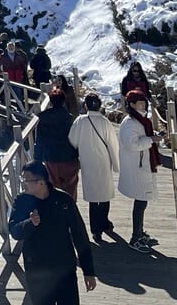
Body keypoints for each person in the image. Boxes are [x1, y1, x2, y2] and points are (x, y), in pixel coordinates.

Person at [8, 161, 97, 305]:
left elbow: (79, 235)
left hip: (64, 270)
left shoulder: (63, 200)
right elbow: (14, 231)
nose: (23, 183)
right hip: (37, 273)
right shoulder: (22, 201)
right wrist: (30, 223)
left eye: (26, 180)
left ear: (41, 182)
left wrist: (89, 271)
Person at [69, 93, 120, 241]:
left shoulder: (80, 121)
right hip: (103, 161)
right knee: (104, 194)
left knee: (93, 196)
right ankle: (104, 222)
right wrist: (116, 164)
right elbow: (113, 144)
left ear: (86, 105)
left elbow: (72, 140)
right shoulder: (105, 122)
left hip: (87, 161)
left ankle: (95, 229)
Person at [118, 90, 162, 249]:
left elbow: (142, 137)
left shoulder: (140, 120)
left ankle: (139, 233)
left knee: (142, 201)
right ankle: (136, 237)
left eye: (144, 102)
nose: (143, 105)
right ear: (132, 104)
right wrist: (151, 139)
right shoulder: (130, 122)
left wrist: (153, 136)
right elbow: (132, 144)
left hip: (142, 164)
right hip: (138, 166)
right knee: (141, 201)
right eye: (140, 102)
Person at [34, 88, 81, 199]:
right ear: (63, 101)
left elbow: (39, 140)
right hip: (69, 158)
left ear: (50, 101)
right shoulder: (70, 118)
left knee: (53, 189)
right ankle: (70, 211)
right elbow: (76, 139)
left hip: (51, 158)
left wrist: (37, 159)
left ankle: (57, 213)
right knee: (70, 189)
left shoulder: (42, 118)